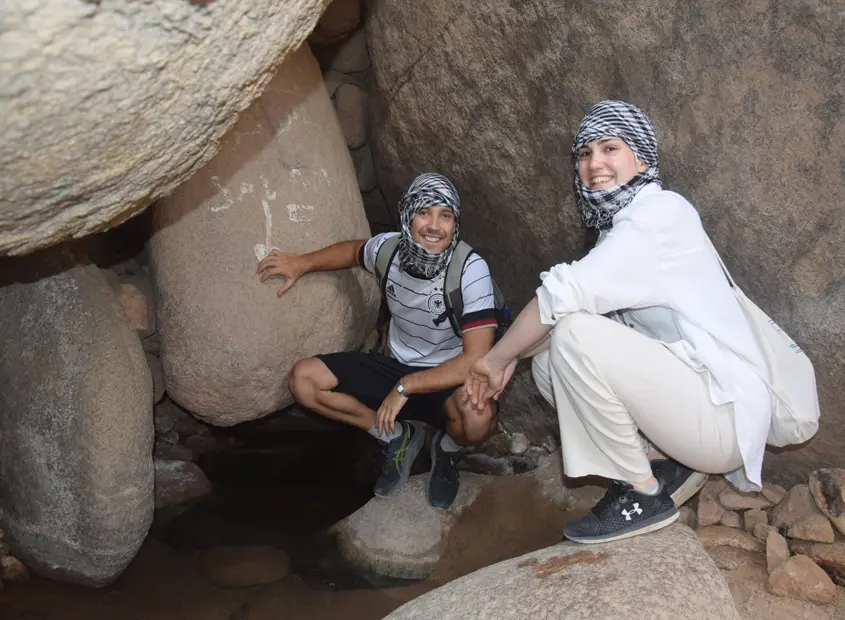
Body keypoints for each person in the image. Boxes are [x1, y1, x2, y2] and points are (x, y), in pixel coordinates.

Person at [465, 100, 772, 544]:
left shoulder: (657, 215)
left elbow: (560, 296)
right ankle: (662, 460)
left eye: (610, 148)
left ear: (641, 157)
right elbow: (569, 309)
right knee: (551, 358)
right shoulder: (620, 227)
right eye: (584, 153)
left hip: (724, 420)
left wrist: (495, 360)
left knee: (574, 336)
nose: (594, 164)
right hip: (697, 405)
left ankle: (641, 492)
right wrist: (516, 356)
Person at [257, 173, 499, 509]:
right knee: (304, 381)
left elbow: (475, 359)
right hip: (391, 365)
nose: (434, 226)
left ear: (455, 222)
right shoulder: (389, 250)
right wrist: (303, 263)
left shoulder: (470, 270)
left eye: (445, 216)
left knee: (478, 417)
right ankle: (396, 437)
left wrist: (406, 387)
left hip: (445, 376)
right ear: (408, 215)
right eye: (424, 213)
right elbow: (353, 251)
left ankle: (447, 448)